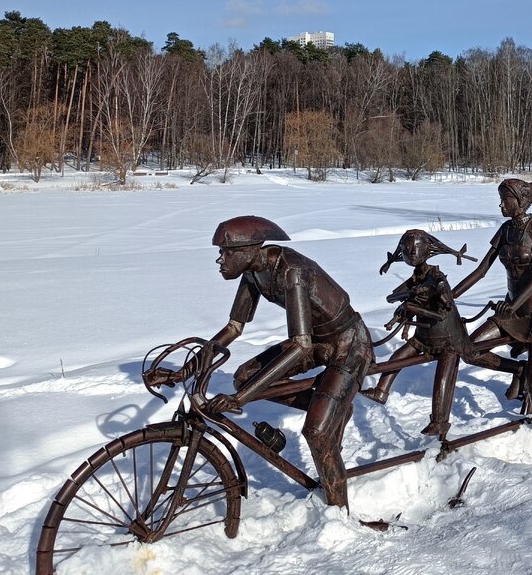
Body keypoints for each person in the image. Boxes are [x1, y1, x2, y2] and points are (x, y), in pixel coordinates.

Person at [146, 216, 372, 510]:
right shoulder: (253, 272)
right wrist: (183, 372)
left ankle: (339, 514)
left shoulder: (292, 271)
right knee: (244, 377)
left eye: (226, 252)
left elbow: (300, 346)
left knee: (317, 433)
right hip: (315, 341)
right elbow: (233, 328)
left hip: (349, 344)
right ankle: (331, 407)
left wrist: (240, 399)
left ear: (248, 250)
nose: (220, 260)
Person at [451, 179, 532, 461]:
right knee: (469, 350)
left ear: (521, 201)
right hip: (514, 309)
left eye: (505, 200)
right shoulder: (505, 230)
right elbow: (481, 270)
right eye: (501, 199)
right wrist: (451, 295)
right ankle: (518, 369)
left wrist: (512, 305)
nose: (501, 205)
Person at [362, 229, 522, 441]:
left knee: (444, 377)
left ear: (427, 250)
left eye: (416, 248)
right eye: (406, 249)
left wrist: (414, 305)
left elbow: (442, 311)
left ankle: (439, 421)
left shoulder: (437, 279)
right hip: (424, 337)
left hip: (449, 339)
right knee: (397, 357)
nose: (411, 252)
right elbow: (395, 296)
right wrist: (406, 301)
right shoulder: (416, 278)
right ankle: (381, 392)